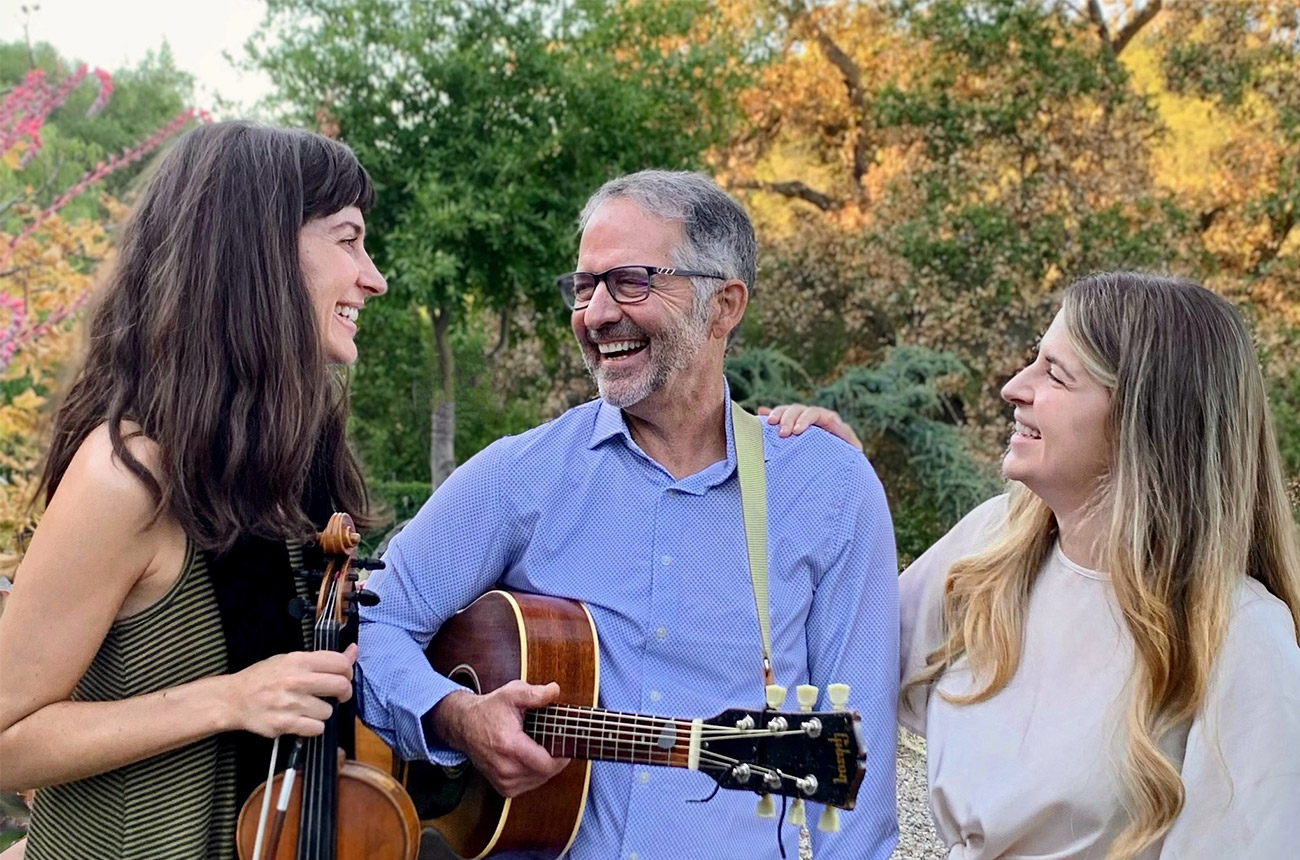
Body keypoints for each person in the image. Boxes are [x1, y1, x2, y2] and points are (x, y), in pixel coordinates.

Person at [357, 170, 901, 859]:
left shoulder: (828, 486)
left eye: (632, 281)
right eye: (584, 286)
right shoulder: (521, 474)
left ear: (724, 305)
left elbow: (861, 766)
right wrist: (456, 716)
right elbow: (374, 618)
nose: (596, 313)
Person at [767, 271, 1300, 858]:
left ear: (1145, 419)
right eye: (1034, 360)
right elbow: (830, 672)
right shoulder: (991, 545)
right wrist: (834, 489)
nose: (1014, 388)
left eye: (1056, 375)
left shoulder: (1242, 637)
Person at [0, 121, 388, 859]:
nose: (373, 276)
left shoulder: (285, 464)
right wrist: (228, 699)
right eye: (349, 240)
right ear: (263, 254)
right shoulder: (127, 475)